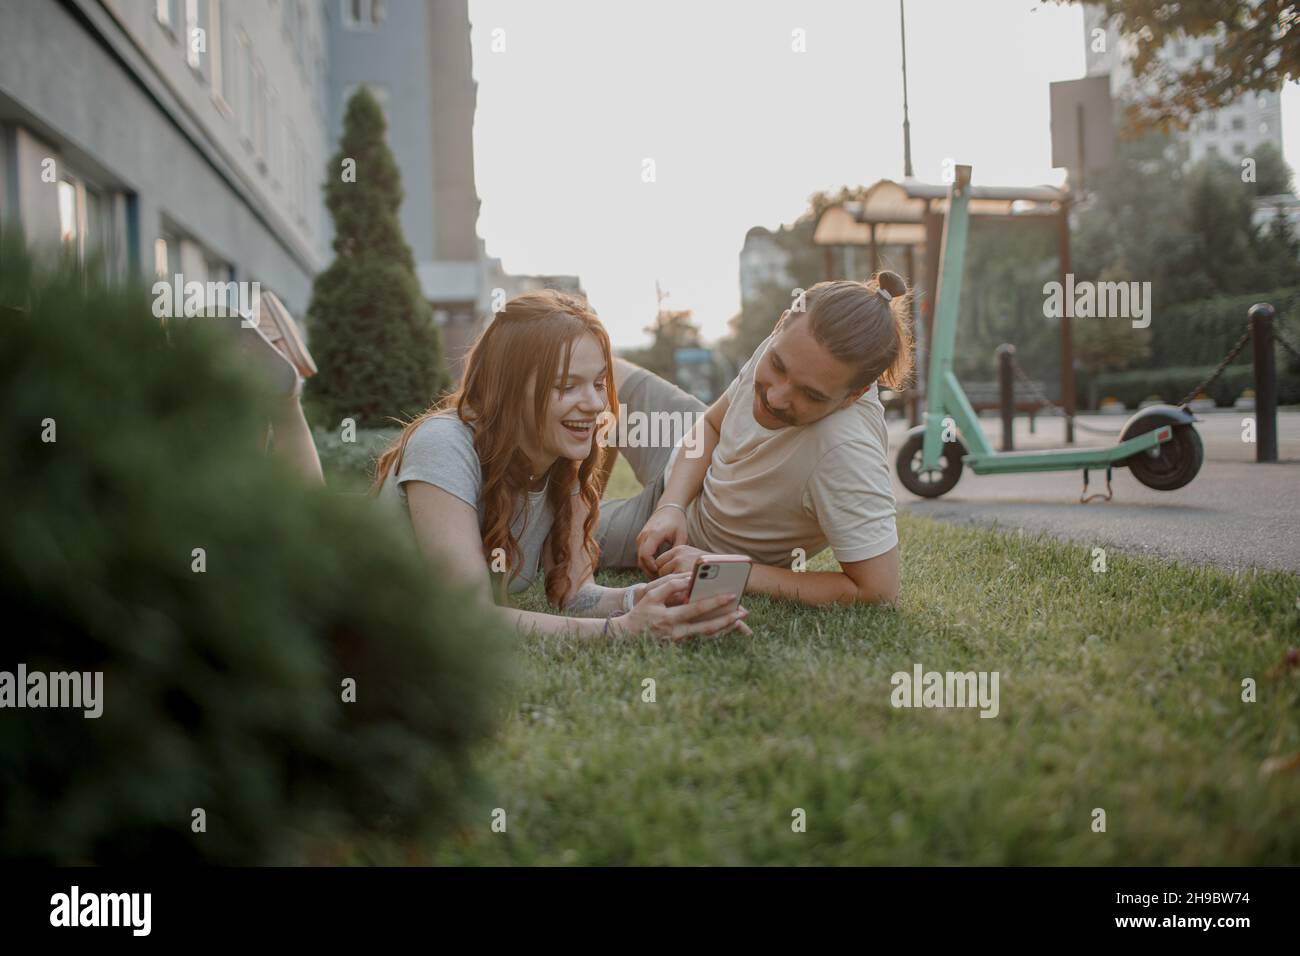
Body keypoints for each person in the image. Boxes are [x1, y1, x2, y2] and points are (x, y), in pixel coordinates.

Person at [361, 290, 752, 640]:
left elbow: (575, 594)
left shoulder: (562, 460)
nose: (596, 404)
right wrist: (621, 631)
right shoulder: (445, 445)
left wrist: (649, 596)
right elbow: (469, 618)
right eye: (567, 386)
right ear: (509, 390)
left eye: (599, 383)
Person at [597, 272, 910, 607]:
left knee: (547, 537)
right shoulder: (791, 343)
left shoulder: (847, 451)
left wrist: (728, 572)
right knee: (595, 369)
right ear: (782, 324)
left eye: (810, 394)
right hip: (689, 456)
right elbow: (713, 425)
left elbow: (877, 591)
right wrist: (670, 504)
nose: (775, 397)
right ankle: (578, 497)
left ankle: (576, 514)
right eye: (777, 366)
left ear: (854, 395)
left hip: (688, 533)